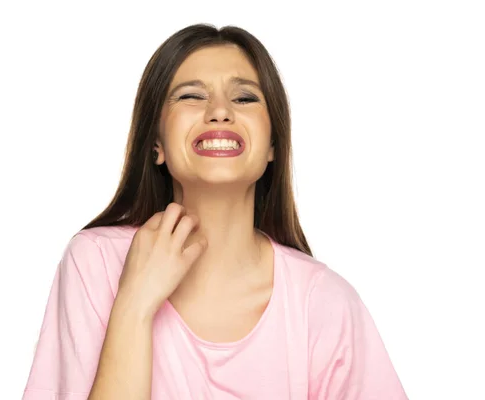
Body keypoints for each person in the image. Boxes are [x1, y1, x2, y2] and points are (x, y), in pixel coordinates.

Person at [21, 23, 408, 400]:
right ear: (156, 142)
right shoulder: (95, 264)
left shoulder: (324, 302)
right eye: (191, 96)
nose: (220, 112)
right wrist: (134, 306)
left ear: (273, 144)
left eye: (244, 98)